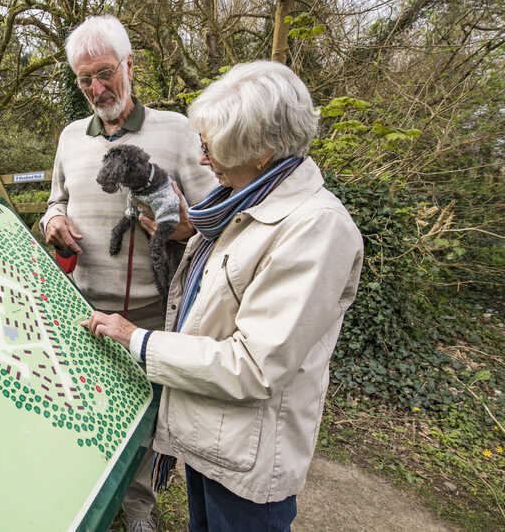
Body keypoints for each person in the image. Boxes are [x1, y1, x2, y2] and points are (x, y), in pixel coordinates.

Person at [83, 61, 364, 532]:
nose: (201, 159)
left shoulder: (317, 229)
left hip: (248, 456)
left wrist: (138, 340)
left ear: (264, 150)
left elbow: (254, 364)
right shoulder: (239, 205)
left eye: (213, 148)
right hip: (210, 437)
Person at [40, 15, 217, 532]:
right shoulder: (71, 136)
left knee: (143, 418)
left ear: (130, 66)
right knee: (79, 406)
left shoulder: (177, 130)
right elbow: (57, 199)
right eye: (83, 79)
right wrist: (53, 220)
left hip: (149, 310)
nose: (96, 89)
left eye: (104, 73)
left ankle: (138, 506)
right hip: (79, 305)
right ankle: (81, 493)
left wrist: (180, 228)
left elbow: (215, 219)